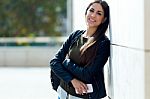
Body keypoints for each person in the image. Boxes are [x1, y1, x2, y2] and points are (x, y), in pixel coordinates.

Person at [50, 0, 110, 99]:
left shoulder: (103, 43)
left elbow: (87, 75)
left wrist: (66, 63)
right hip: (62, 93)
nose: (93, 15)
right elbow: (54, 62)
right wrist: (72, 80)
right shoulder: (75, 35)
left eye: (99, 13)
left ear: (103, 19)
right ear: (86, 12)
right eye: (91, 10)